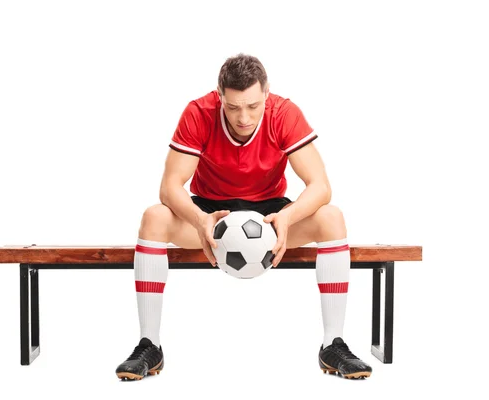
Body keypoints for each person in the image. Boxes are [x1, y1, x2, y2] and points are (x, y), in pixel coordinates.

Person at [115, 53, 372, 380]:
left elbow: (320, 186)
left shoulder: (283, 112)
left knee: (331, 217)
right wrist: (199, 220)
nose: (244, 118)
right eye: (233, 107)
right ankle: (149, 345)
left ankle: (333, 344)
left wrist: (288, 217)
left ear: (266, 93)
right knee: (154, 216)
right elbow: (169, 187)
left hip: (270, 217)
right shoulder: (200, 112)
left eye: (253, 106)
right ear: (220, 95)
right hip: (211, 214)